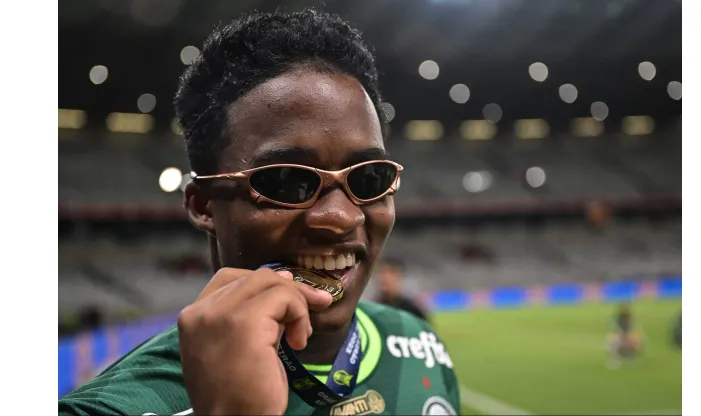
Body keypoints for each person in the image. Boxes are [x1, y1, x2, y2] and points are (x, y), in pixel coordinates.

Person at [59, 10, 460, 416]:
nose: (341, 217)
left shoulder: (418, 343)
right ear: (203, 205)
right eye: (286, 181)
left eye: (370, 178)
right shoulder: (114, 408)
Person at [606, 303, 642, 368]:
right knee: (611, 340)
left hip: (628, 335)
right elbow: (614, 330)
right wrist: (621, 334)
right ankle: (614, 358)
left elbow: (635, 329)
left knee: (637, 340)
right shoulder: (616, 319)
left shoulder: (631, 319)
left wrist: (630, 336)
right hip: (620, 335)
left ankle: (631, 357)